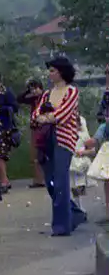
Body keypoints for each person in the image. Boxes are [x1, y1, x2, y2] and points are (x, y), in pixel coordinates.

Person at [31, 55, 85, 237]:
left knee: (61, 181)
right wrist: (45, 117)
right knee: (51, 182)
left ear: (61, 72)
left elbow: (62, 115)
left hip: (64, 141)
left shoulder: (72, 92)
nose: (49, 74)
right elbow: (35, 115)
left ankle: (62, 226)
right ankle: (75, 214)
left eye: (52, 70)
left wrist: (46, 117)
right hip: (45, 141)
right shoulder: (46, 94)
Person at [20, 78, 48, 187]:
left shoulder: (46, 97)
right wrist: (28, 91)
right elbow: (20, 99)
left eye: (35, 88)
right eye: (32, 89)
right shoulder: (33, 99)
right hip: (35, 128)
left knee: (44, 154)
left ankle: (45, 178)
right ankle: (38, 180)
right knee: (35, 154)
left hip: (44, 127)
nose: (34, 91)